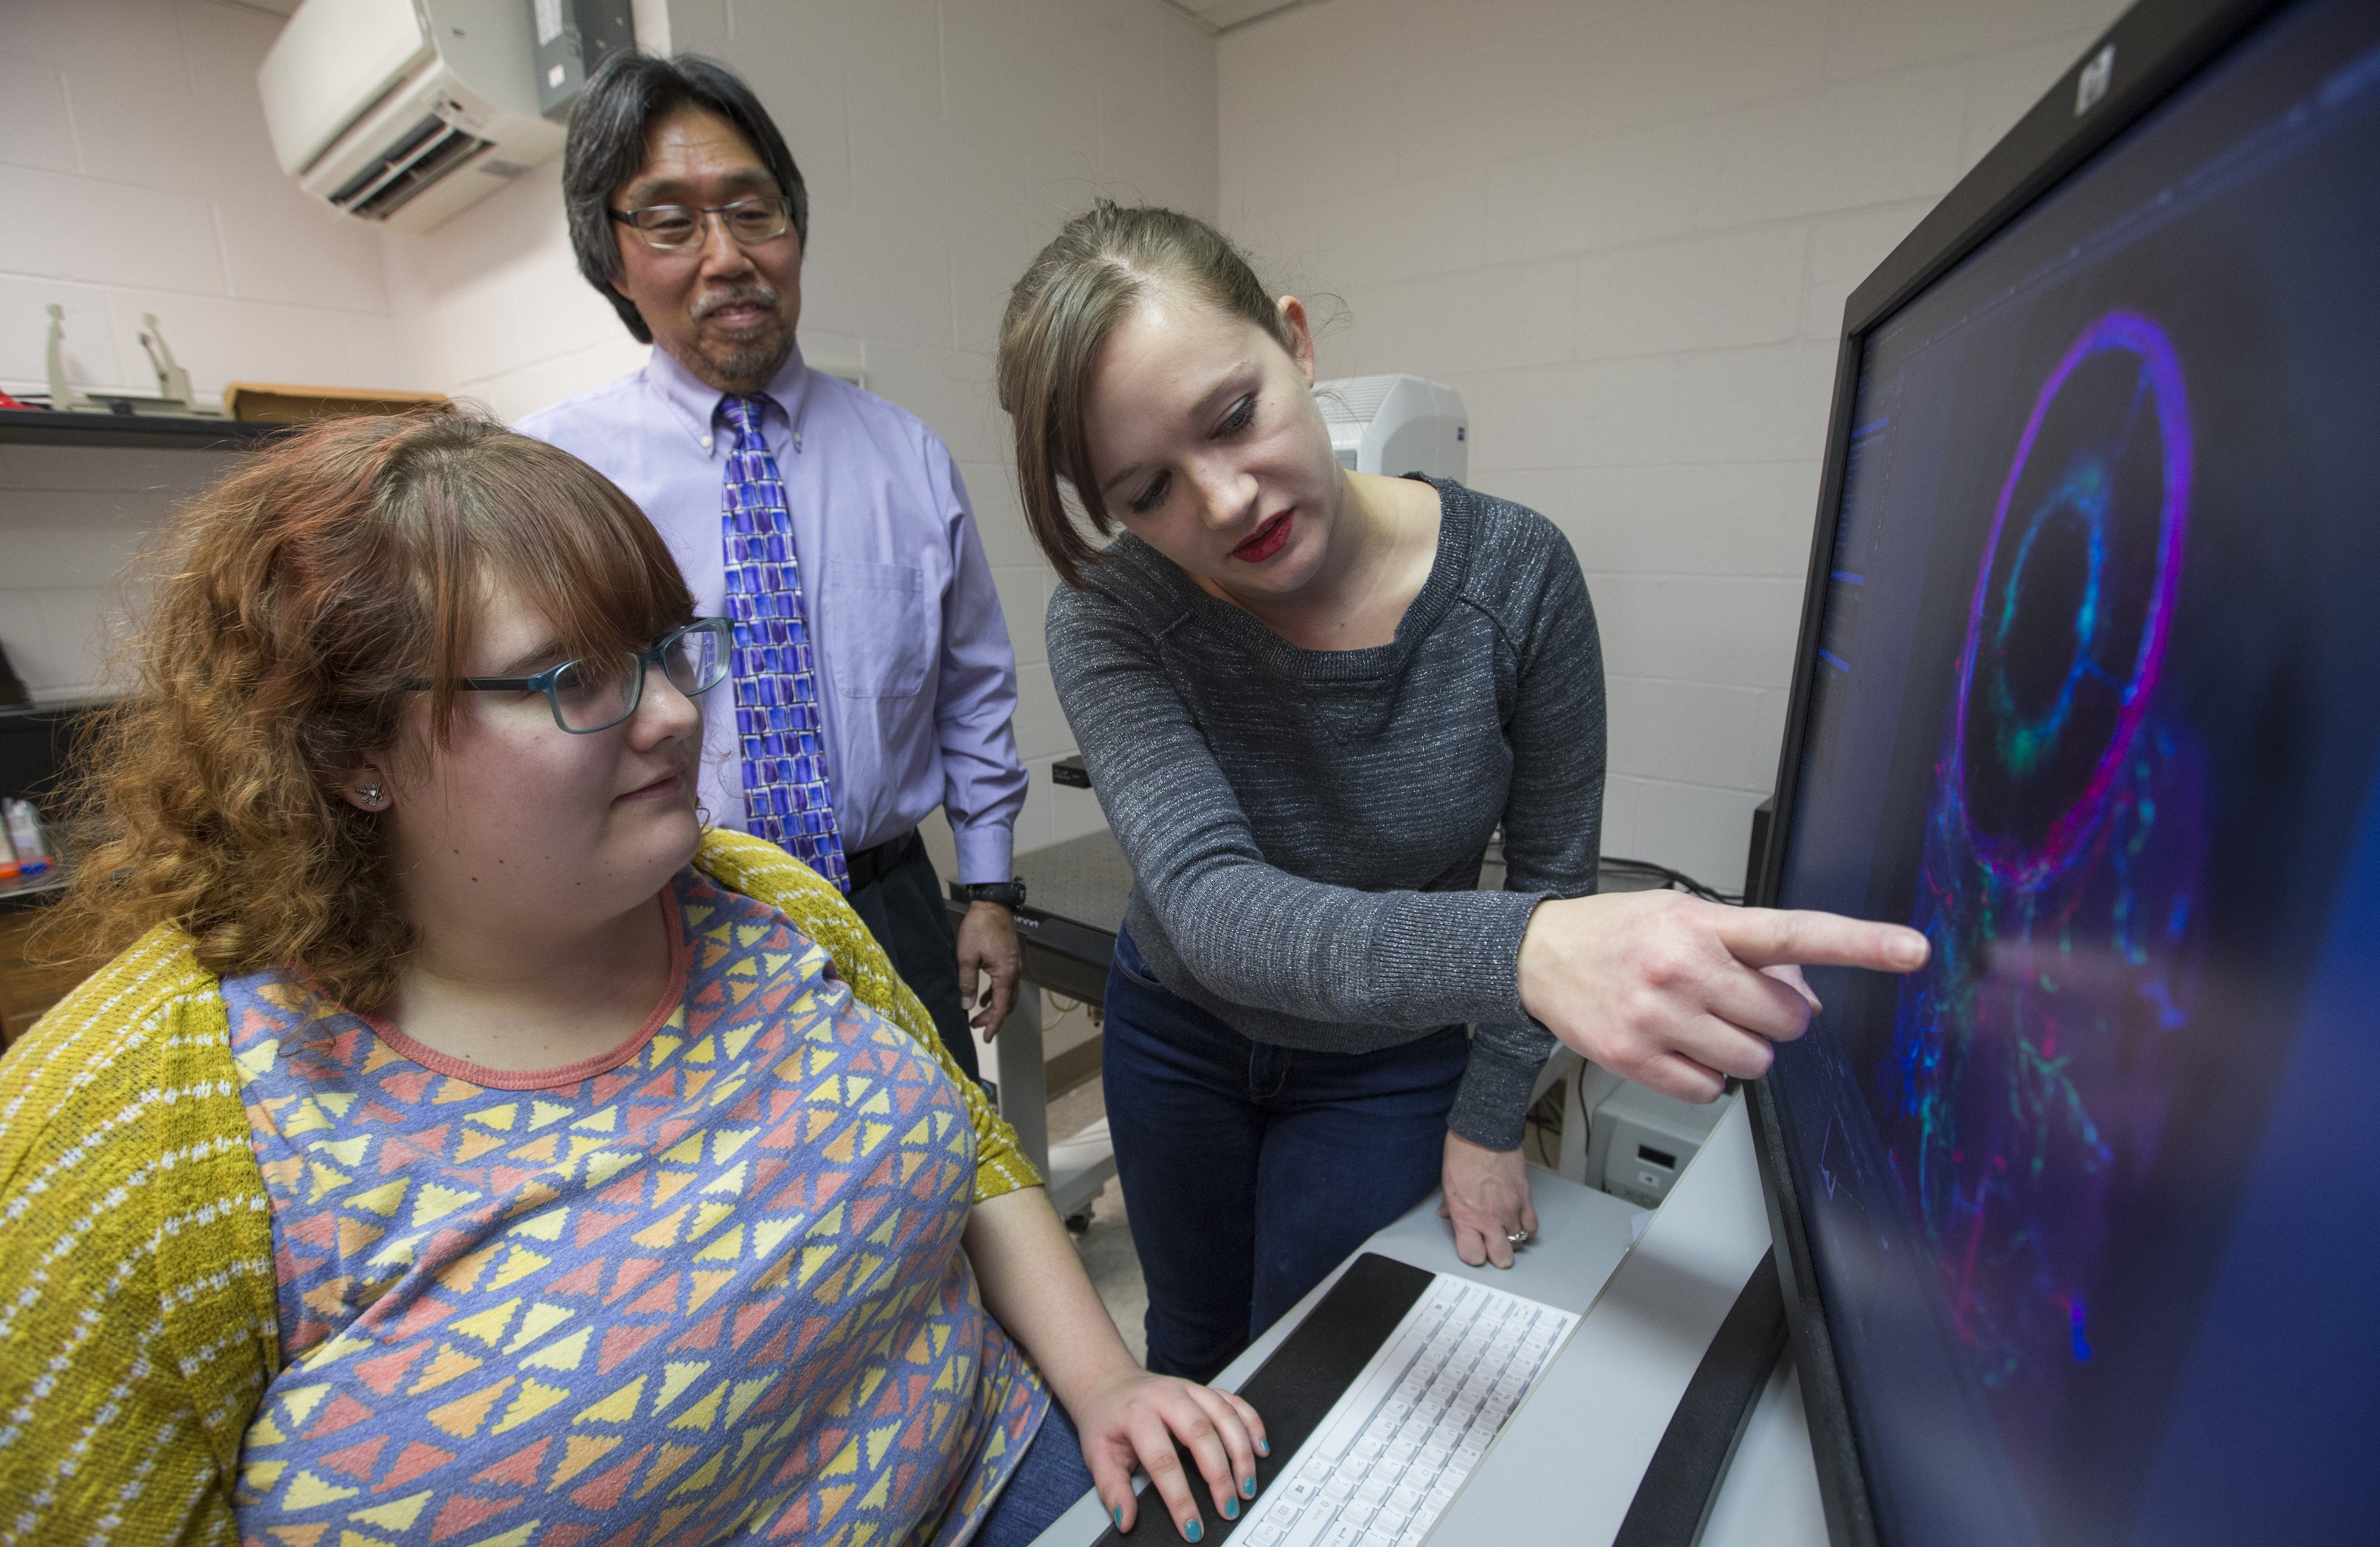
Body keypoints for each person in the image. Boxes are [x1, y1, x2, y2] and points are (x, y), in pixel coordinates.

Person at [0, 412, 1261, 1546]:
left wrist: (1104, 1382)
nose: (668, 714)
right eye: (571, 678)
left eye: (663, 651)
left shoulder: (760, 897)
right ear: (349, 751)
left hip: (1004, 1479)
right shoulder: (126, 1138)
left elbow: (968, 1145)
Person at [995, 202, 1929, 1382]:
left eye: (1234, 416)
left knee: (1317, 1356)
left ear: (1295, 342)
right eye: (1148, 494)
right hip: (1178, 1036)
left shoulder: (1514, 576)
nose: (1224, 501)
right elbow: (1218, 910)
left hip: (1386, 1057)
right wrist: (1531, 949)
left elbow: (1550, 860)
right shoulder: (1110, 614)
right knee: (1190, 1349)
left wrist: (1491, 1117)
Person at [518, 54, 1026, 1086]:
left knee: (943, 1193)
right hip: (663, 921)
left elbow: (973, 690)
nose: (726, 257)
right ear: (611, 260)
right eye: (671, 223)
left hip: (892, 905)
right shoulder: (552, 479)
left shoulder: (910, 458)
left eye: (754, 212)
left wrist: (989, 890)